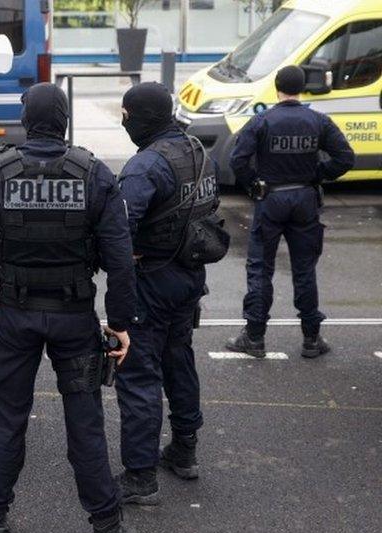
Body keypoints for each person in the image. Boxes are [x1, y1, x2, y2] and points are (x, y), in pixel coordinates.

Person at [0, 83, 139, 533]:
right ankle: (107, 528)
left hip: (14, 317)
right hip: (74, 317)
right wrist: (120, 324)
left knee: (7, 418)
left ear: (27, 122)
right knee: (85, 422)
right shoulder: (94, 174)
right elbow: (121, 260)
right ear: (64, 120)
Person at [114, 82, 219, 506]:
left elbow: (118, 229)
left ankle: (140, 476)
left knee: (139, 374)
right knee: (179, 358)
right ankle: (184, 449)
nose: (123, 122)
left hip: (153, 280)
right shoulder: (197, 150)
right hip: (189, 275)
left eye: (126, 115)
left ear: (141, 116)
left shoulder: (146, 166)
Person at [226, 65, 354, 358]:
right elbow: (345, 158)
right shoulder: (318, 121)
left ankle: (254, 337)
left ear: (277, 87)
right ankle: (311, 338)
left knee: (261, 269)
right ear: (302, 89)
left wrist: (253, 184)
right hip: (305, 199)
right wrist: (316, 173)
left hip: (271, 199)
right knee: (304, 269)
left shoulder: (262, 121)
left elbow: (237, 160)